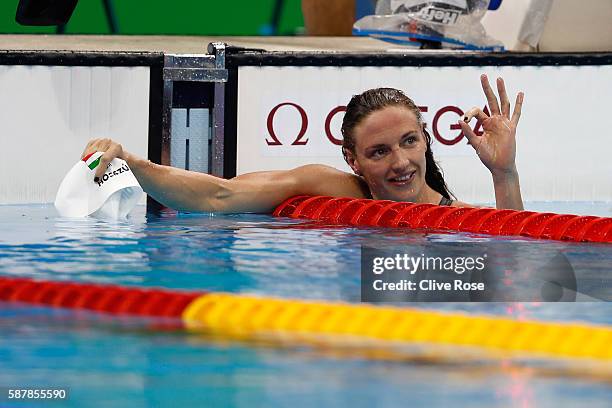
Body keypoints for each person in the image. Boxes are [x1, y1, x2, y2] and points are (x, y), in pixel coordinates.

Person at [82, 74, 524, 213]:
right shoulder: (328, 187)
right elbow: (220, 195)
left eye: (410, 142)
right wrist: (134, 164)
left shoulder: (459, 219)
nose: (402, 162)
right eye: (379, 151)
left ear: (425, 141)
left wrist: (504, 174)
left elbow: (517, 272)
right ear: (352, 159)